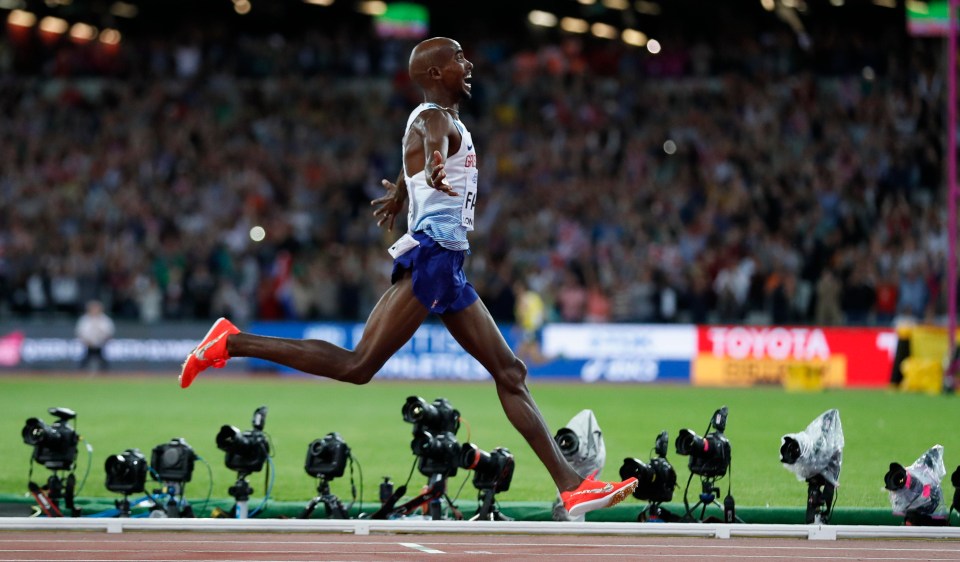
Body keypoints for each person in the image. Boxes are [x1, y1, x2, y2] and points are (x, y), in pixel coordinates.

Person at [179, 37, 637, 518]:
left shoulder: (438, 119)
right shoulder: (435, 118)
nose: (469, 64)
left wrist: (405, 191)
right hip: (436, 258)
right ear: (436, 74)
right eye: (458, 58)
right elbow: (432, 144)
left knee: (510, 372)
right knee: (358, 366)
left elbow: (420, 155)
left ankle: (571, 485)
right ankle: (230, 343)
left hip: (448, 261)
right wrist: (434, 165)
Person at [76, 300, 115, 372]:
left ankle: (106, 375)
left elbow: (109, 333)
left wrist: (102, 341)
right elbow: (80, 333)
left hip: (101, 345)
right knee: (84, 361)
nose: (95, 310)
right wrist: (87, 342)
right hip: (88, 345)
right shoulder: (84, 320)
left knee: (104, 362)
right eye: (93, 308)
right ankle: (80, 375)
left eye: (96, 308)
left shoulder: (105, 320)